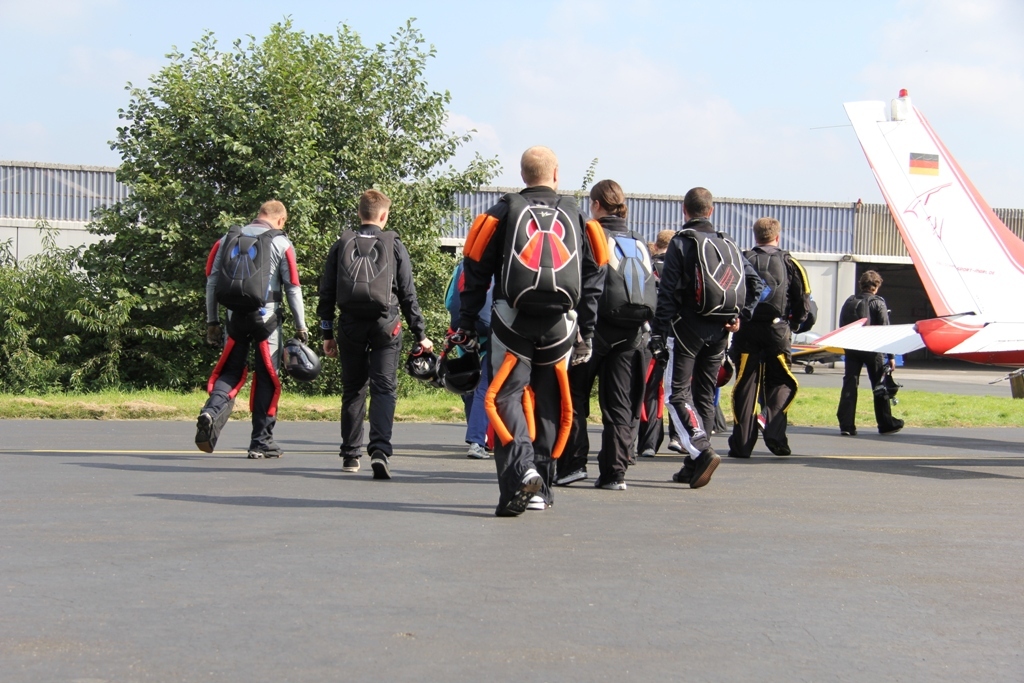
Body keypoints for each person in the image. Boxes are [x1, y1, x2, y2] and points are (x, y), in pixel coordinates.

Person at [458, 146, 606, 516]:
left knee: (506, 396)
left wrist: (466, 324)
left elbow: (474, 270)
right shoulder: (577, 215)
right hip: (561, 324)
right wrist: (586, 330)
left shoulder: (503, 211)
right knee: (549, 401)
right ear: (556, 174)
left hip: (512, 319)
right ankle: (542, 488)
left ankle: (521, 473)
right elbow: (595, 276)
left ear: (523, 175)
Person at [317, 189, 434, 479]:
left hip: (350, 325)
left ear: (359, 214)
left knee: (353, 388)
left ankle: (350, 455)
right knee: (384, 388)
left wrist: (327, 332)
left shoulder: (342, 244)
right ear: (384, 216)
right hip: (386, 324)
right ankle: (380, 450)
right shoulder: (394, 244)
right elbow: (407, 293)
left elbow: (327, 291)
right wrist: (420, 334)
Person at [651, 187, 762, 488]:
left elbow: (667, 292)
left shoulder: (682, 242)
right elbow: (757, 283)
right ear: (711, 211)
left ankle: (700, 450)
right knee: (704, 395)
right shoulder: (728, 243)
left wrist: (659, 333)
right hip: (721, 330)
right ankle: (692, 465)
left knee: (676, 394)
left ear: (684, 210)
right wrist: (740, 315)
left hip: (686, 329)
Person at [556, 180, 655, 490]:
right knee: (619, 404)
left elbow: (584, 283)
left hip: (593, 330)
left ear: (596, 205)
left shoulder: (591, 232)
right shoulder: (637, 238)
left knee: (575, 398)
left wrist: (582, 331)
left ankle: (573, 465)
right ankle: (614, 473)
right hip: (631, 332)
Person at [195, 200, 309, 458]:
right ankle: (261, 442)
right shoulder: (281, 242)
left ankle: (211, 413)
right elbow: (293, 286)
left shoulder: (226, 239)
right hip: (267, 320)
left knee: (230, 371)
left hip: (234, 317)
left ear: (259, 214)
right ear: (280, 220)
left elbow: (211, 282)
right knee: (268, 376)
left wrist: (212, 322)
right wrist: (301, 327)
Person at [727, 217, 812, 458]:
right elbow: (803, 299)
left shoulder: (742, 259)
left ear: (755, 235)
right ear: (777, 236)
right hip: (777, 331)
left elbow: (730, 290)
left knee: (745, 386)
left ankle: (742, 445)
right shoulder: (790, 262)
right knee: (782, 382)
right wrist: (794, 323)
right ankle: (772, 427)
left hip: (746, 330)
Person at [836, 270, 904, 435]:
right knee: (879, 386)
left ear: (861, 285)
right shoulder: (878, 303)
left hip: (852, 347)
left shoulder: (850, 301)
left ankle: (846, 425)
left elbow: (842, 325)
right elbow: (885, 330)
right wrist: (891, 356)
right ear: (876, 286)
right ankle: (885, 424)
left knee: (850, 384)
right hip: (872, 349)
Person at [445, 259, 493, 459]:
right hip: (490, 331)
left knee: (470, 384)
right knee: (485, 386)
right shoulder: (498, 263)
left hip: (463, 331)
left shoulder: (461, 266)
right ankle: (478, 441)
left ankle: (477, 437)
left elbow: (449, 301)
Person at [637, 229, 676, 458]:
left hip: (646, 332)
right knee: (668, 389)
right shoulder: (676, 268)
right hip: (671, 334)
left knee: (646, 387)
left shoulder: (646, 266)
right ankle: (676, 437)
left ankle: (646, 442)